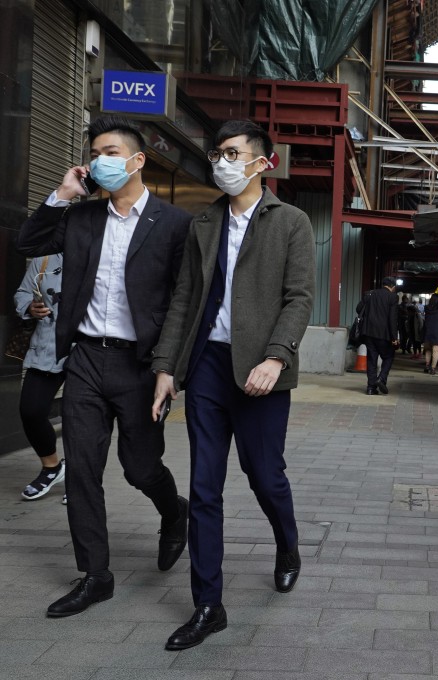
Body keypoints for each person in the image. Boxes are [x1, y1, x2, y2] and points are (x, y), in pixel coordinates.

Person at [150, 119, 315, 650]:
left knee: (264, 475)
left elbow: (299, 298)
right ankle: (208, 605)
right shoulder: (204, 223)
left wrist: (276, 356)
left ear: (262, 163)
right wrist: (166, 366)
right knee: (204, 487)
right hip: (206, 370)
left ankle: (287, 545)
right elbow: (183, 301)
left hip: (260, 370)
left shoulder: (290, 222)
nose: (222, 162)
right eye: (217, 152)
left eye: (232, 153)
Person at [18, 116, 191, 618]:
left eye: (110, 151)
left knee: (139, 468)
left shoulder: (175, 223)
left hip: (141, 366)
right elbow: (27, 245)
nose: (100, 161)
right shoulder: (83, 217)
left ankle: (173, 511)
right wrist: (62, 193)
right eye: (95, 152)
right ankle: (96, 575)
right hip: (88, 359)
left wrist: (169, 367)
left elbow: (182, 300)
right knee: (83, 473)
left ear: (138, 160)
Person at [14, 254, 66, 502]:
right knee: (31, 411)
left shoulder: (103, 253)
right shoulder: (45, 260)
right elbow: (23, 292)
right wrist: (29, 307)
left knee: (83, 419)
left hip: (88, 351)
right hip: (47, 347)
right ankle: (52, 467)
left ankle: (82, 478)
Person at [357, 277, 399, 395]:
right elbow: (392, 319)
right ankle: (381, 379)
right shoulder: (393, 297)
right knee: (388, 356)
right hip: (384, 334)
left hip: (368, 333)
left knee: (371, 359)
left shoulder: (370, 294)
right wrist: (394, 338)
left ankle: (371, 388)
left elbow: (358, 309)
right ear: (393, 287)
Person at [421, 295, 438, 375]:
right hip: (437, 333)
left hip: (428, 332)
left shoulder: (427, 309)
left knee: (428, 350)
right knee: (436, 351)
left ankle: (426, 366)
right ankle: (433, 368)